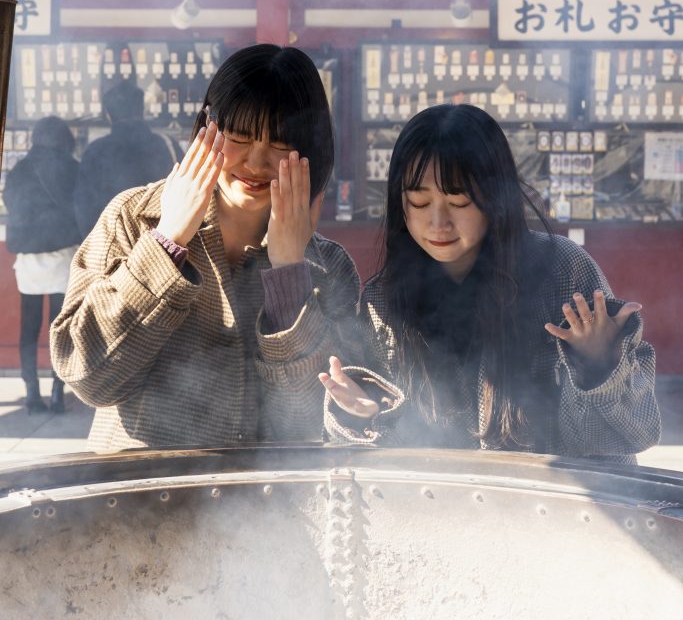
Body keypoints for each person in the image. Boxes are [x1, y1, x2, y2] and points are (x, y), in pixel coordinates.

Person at [50, 44, 360, 452]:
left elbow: (309, 422)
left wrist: (288, 275)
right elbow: (86, 375)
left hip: (260, 507)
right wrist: (166, 243)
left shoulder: (328, 266)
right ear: (206, 128)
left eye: (280, 143)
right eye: (240, 136)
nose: (256, 161)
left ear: (311, 151)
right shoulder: (133, 217)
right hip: (140, 496)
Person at [320, 103, 661, 464]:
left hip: (558, 512)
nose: (438, 223)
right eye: (419, 202)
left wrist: (599, 366)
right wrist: (369, 412)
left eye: (458, 200)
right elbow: (390, 459)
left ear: (496, 200)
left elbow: (633, 435)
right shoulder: (384, 299)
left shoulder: (561, 270)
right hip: (447, 509)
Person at [4, 116, 81, 413]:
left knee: (29, 329)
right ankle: (59, 393)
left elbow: (11, 202)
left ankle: (32, 394)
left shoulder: (21, 169)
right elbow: (81, 205)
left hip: (30, 261)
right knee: (59, 328)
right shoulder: (72, 168)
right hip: (64, 256)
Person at [73, 78, 175, 239]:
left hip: (114, 245)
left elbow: (84, 208)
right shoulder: (168, 145)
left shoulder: (95, 152)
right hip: (163, 244)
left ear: (108, 115)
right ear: (142, 110)